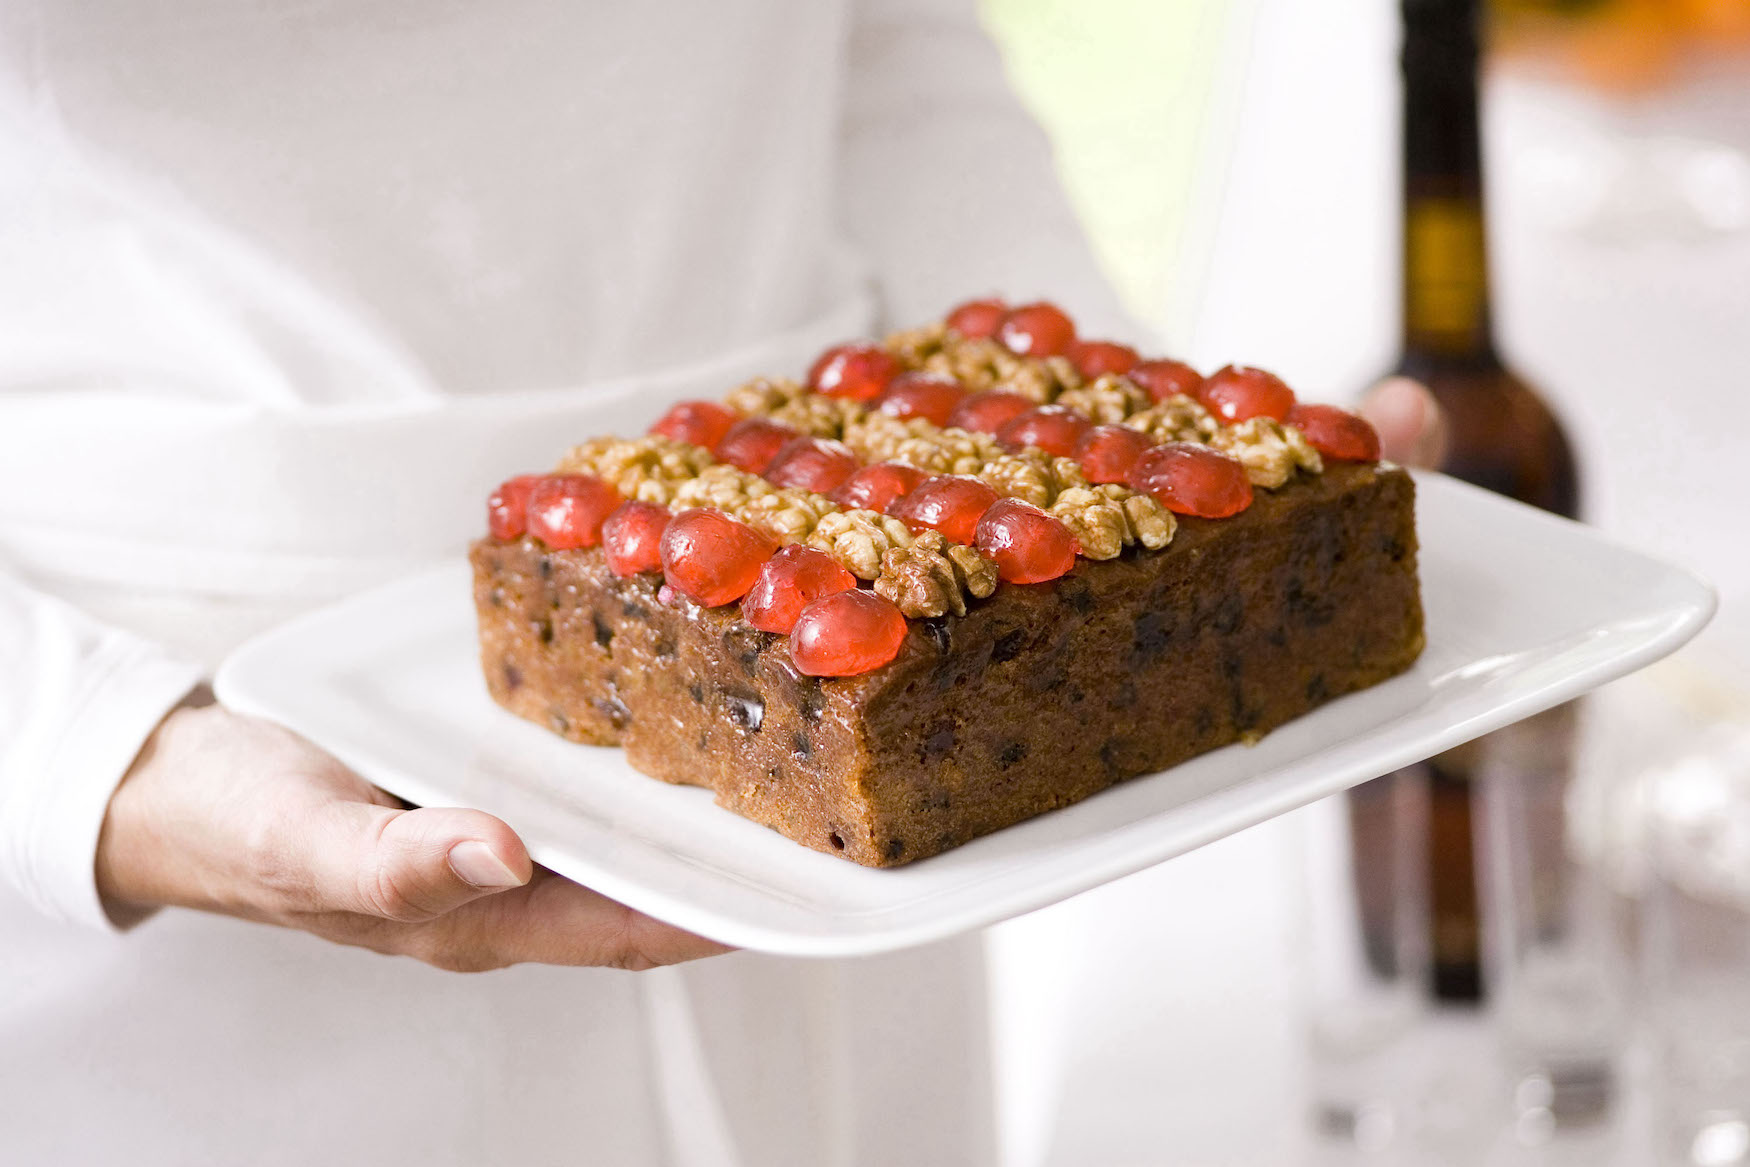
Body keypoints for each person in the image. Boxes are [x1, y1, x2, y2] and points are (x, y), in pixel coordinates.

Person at [0, 2, 1137, 1163]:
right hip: (176, 723)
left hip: (880, 652)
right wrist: (85, 756)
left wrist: (1082, 436)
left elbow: (885, 47)